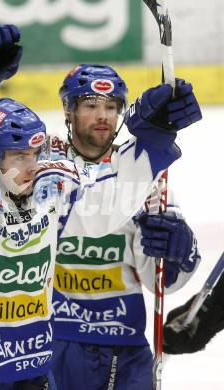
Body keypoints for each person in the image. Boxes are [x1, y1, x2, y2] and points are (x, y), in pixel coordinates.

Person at [0, 25, 185, 390]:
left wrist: (151, 142)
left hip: (31, 365)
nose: (33, 165)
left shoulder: (50, 191)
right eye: (21, 155)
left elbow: (101, 205)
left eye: (36, 153)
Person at [45, 64, 203, 389]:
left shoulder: (143, 173)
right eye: (91, 105)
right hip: (51, 341)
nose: (103, 115)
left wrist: (177, 251)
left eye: (111, 106)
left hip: (125, 345)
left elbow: (164, 281)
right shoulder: (41, 164)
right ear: (68, 109)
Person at [163, 272, 224, 355]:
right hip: (214, 308)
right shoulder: (189, 344)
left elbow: (195, 301)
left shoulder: (172, 318)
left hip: (214, 306)